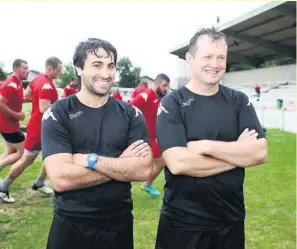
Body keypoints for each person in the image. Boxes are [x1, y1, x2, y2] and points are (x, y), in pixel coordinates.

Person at [155, 28, 268, 249]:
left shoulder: (239, 101)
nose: (214, 64)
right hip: (182, 224)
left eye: (221, 58)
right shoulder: (172, 103)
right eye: (207, 56)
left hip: (230, 222)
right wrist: (237, 153)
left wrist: (205, 146)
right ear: (190, 58)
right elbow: (178, 163)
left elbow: (260, 152)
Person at [41, 38, 153, 249]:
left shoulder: (130, 114)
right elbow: (61, 179)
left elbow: (143, 170)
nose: (106, 73)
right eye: (97, 65)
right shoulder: (58, 114)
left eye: (111, 66)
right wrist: (121, 164)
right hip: (71, 224)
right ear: (79, 68)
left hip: (118, 225)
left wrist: (89, 160)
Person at [0, 57, 62, 203]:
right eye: (58, 70)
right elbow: (44, 108)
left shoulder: (38, 79)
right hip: (40, 129)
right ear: (50, 69)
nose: (60, 73)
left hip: (42, 127)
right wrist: (61, 108)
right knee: (26, 159)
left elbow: (26, 96)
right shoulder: (46, 84)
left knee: (51, 154)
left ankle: (40, 181)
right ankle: (4, 186)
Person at [130, 74, 170, 197]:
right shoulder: (145, 96)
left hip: (152, 138)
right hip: (143, 138)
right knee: (161, 160)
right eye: (164, 85)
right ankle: (144, 185)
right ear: (156, 84)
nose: (166, 89)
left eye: (167, 86)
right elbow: (127, 109)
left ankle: (146, 185)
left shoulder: (160, 100)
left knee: (161, 160)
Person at [0, 59, 29, 174]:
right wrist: (17, 115)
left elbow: (17, 99)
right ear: (16, 69)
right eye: (25, 68)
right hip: (8, 127)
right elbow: (0, 103)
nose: (27, 71)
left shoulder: (17, 84)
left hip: (8, 125)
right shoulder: (11, 84)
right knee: (22, 153)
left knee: (10, 151)